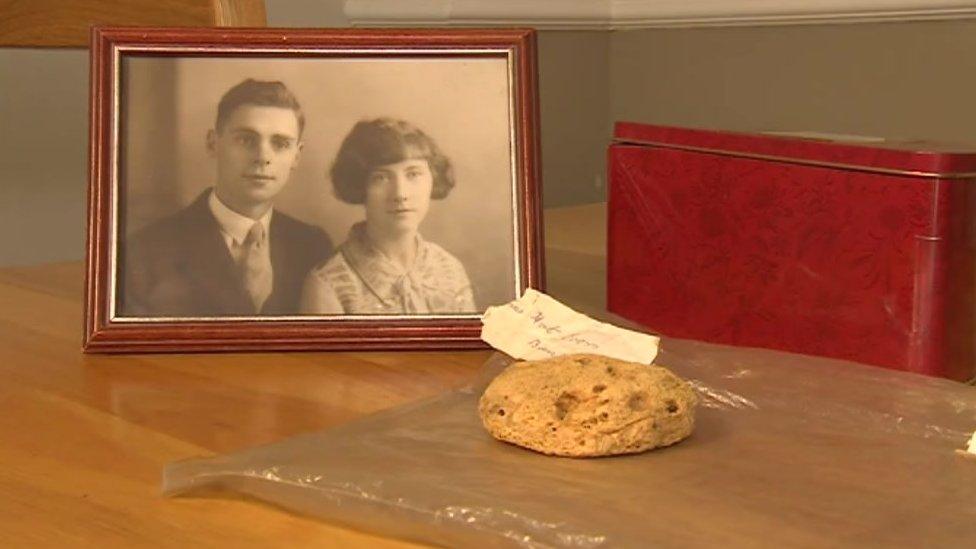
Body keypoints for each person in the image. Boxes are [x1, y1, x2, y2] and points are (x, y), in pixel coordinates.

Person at [120, 79, 333, 317]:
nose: (263, 157)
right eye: (245, 139)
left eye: (280, 144)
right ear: (213, 144)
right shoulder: (144, 253)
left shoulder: (311, 246)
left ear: (296, 156)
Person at [299, 118, 476, 315]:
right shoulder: (328, 284)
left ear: (432, 180)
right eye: (381, 178)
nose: (400, 194)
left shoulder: (450, 269)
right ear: (360, 187)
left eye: (413, 174)